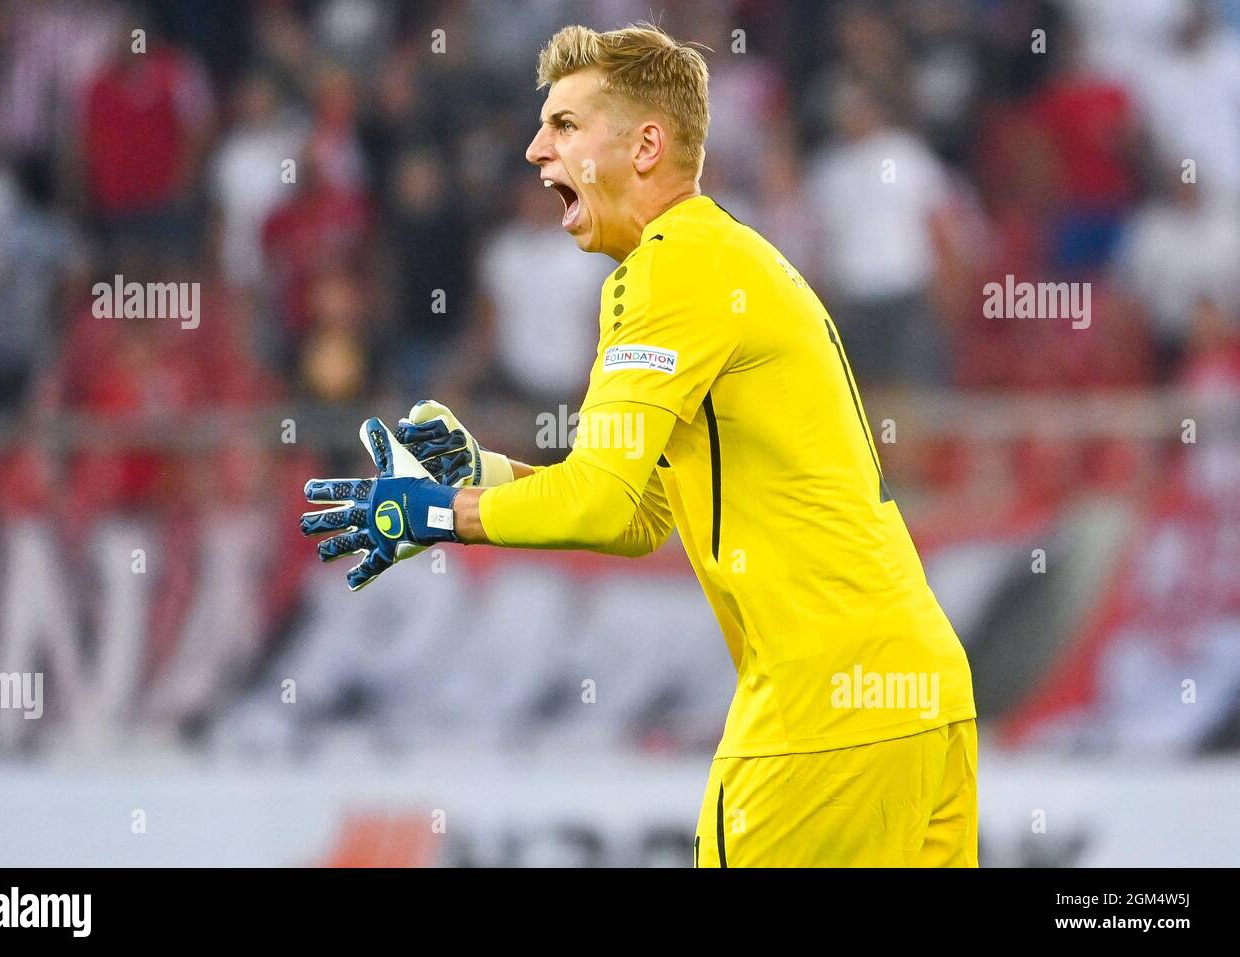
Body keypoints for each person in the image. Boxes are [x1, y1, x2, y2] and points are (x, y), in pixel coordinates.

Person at [301, 23, 977, 867]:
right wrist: (495, 474)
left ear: (647, 144)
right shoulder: (729, 257)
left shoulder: (667, 272)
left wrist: (438, 510)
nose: (536, 148)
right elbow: (642, 511)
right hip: (916, 690)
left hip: (822, 712)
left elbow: (600, 499)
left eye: (567, 126)